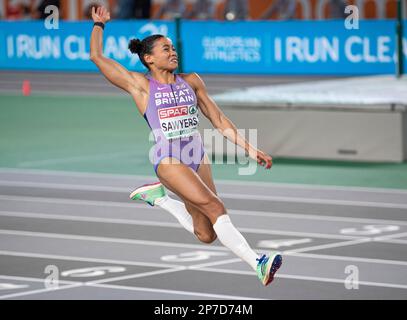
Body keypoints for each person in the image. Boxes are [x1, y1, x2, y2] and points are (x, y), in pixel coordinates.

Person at [90, 6, 282, 286]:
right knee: (216, 207)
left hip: (196, 157)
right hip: (167, 159)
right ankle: (258, 263)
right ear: (149, 58)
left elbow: (218, 119)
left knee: (207, 233)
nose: (172, 52)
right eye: (165, 49)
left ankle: (161, 199)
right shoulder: (140, 86)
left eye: (173, 47)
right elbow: (97, 57)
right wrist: (99, 25)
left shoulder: (192, 81)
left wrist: (249, 149)